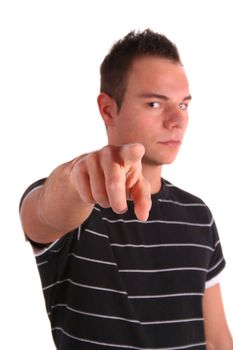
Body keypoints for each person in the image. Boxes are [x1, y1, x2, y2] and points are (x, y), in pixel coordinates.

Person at [20, 29, 233, 349]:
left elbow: (217, 340)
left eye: (184, 105)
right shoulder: (75, 204)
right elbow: (42, 211)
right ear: (108, 109)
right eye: (154, 103)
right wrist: (80, 175)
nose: (177, 120)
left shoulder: (198, 214)